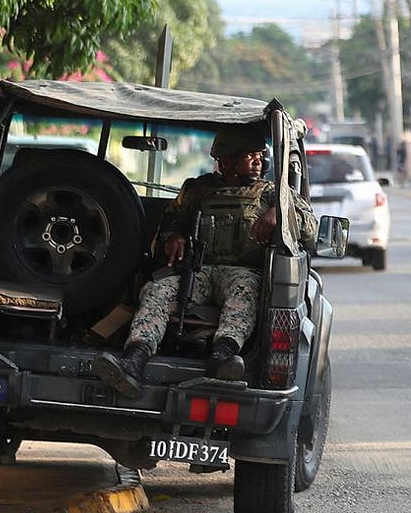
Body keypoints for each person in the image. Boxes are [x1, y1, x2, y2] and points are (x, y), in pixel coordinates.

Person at [93, 123, 318, 398]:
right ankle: (134, 361)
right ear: (226, 161)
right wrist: (173, 236)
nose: (260, 160)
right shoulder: (197, 190)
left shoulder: (274, 194)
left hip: (242, 272)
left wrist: (280, 212)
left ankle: (223, 356)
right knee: (157, 290)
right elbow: (168, 222)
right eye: (250, 155)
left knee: (245, 289)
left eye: (261, 154)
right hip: (199, 272)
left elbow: (311, 229)